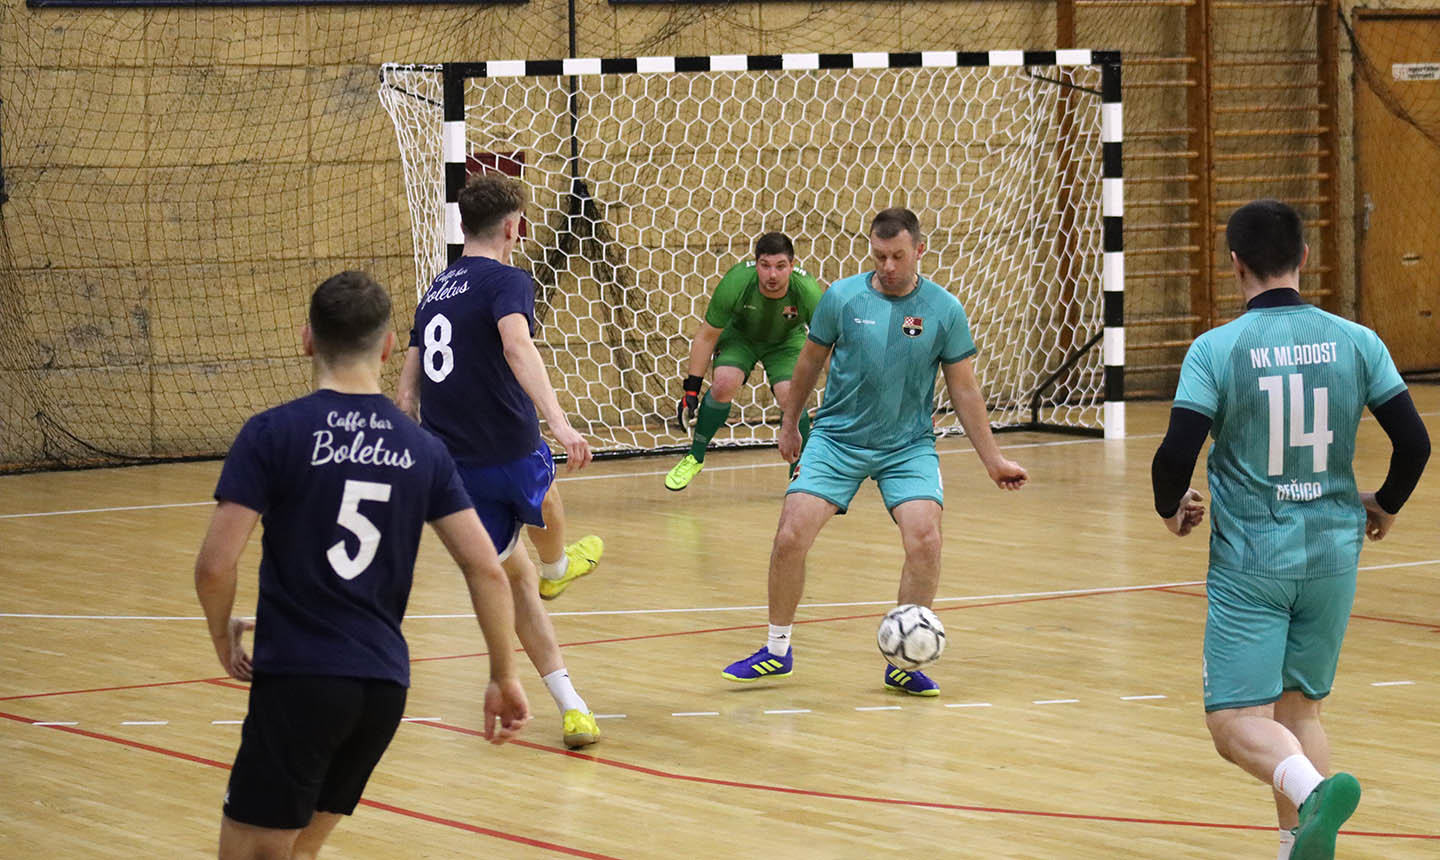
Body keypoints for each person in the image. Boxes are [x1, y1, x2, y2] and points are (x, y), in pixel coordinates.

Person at [194, 271, 530, 860]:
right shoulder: (424, 449)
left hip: (300, 679)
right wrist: (504, 674)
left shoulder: (272, 433)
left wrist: (223, 635)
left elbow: (215, 567)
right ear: (388, 346)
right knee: (299, 851)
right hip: (381, 690)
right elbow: (487, 569)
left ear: (306, 339)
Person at [1151, 199, 1429, 860]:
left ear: (1234, 263)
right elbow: (1415, 443)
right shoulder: (1357, 341)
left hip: (1253, 560)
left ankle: (1313, 794)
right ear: (1304, 257)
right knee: (1300, 712)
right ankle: (1295, 849)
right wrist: (1386, 504)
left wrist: (1171, 508)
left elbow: (1174, 455)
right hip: (1333, 556)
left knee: (1233, 723)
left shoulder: (1216, 350)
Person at [721, 207, 1028, 695]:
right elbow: (808, 364)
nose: (887, 265)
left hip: (907, 446)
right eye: (879, 255)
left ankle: (903, 663)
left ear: (919, 250)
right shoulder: (842, 298)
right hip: (836, 439)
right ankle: (777, 651)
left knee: (925, 540)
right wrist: (790, 425)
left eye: (898, 256)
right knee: (790, 535)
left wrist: (994, 461)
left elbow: (965, 390)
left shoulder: (944, 309)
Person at [396, 171, 604, 748]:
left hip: (453, 470)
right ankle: (559, 570)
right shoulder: (508, 280)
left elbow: (406, 391)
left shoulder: (433, 291)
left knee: (516, 583)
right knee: (546, 493)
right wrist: (559, 421)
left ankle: (573, 707)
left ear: (463, 225)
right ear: (514, 228)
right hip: (511, 449)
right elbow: (517, 345)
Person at [665, 232, 825, 491]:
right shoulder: (737, 281)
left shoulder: (807, 291)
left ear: (792, 266)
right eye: (765, 265)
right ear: (756, 264)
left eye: (780, 266)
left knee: (791, 396)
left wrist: (841, 393)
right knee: (724, 383)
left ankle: (800, 469)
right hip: (740, 337)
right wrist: (691, 390)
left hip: (786, 342)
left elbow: (827, 345)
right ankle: (695, 456)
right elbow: (706, 335)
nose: (772, 274)